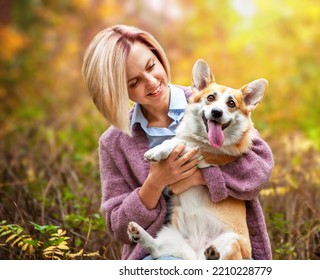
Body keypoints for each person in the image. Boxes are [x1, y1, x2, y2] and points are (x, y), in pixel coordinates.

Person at [81, 24, 274, 260]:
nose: (151, 82)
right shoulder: (114, 143)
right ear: (118, 90)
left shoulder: (207, 102)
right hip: (166, 251)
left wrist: (199, 177)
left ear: (159, 56)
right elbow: (119, 226)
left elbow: (259, 170)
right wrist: (155, 183)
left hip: (225, 244)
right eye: (134, 82)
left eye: (152, 66)